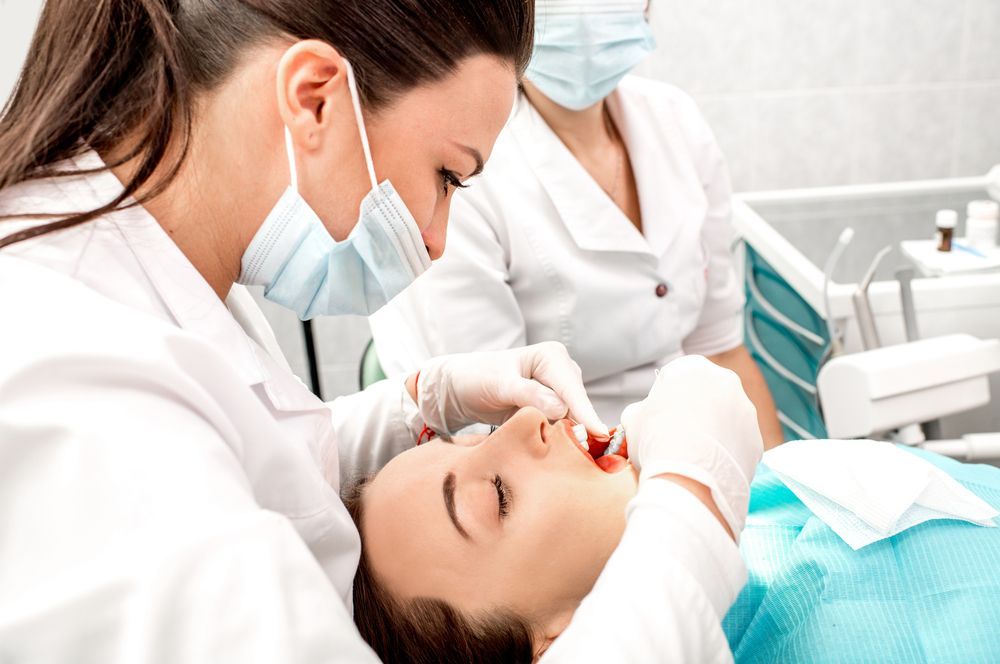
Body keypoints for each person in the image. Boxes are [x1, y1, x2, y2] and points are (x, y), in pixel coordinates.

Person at [0, 1, 763, 662]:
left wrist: (427, 405)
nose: (436, 240)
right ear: (314, 100)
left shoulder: (142, 272)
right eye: (448, 176)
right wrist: (692, 506)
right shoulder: (81, 393)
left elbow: (248, 451)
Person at [370, 0, 785, 448]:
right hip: (573, 472)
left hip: (698, 448)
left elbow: (721, 351)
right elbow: (499, 431)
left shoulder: (676, 120)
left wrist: (783, 489)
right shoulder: (465, 163)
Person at [346, 391, 1000, 663]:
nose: (523, 421)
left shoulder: (757, 493)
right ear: (563, 643)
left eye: (471, 438)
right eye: (498, 496)